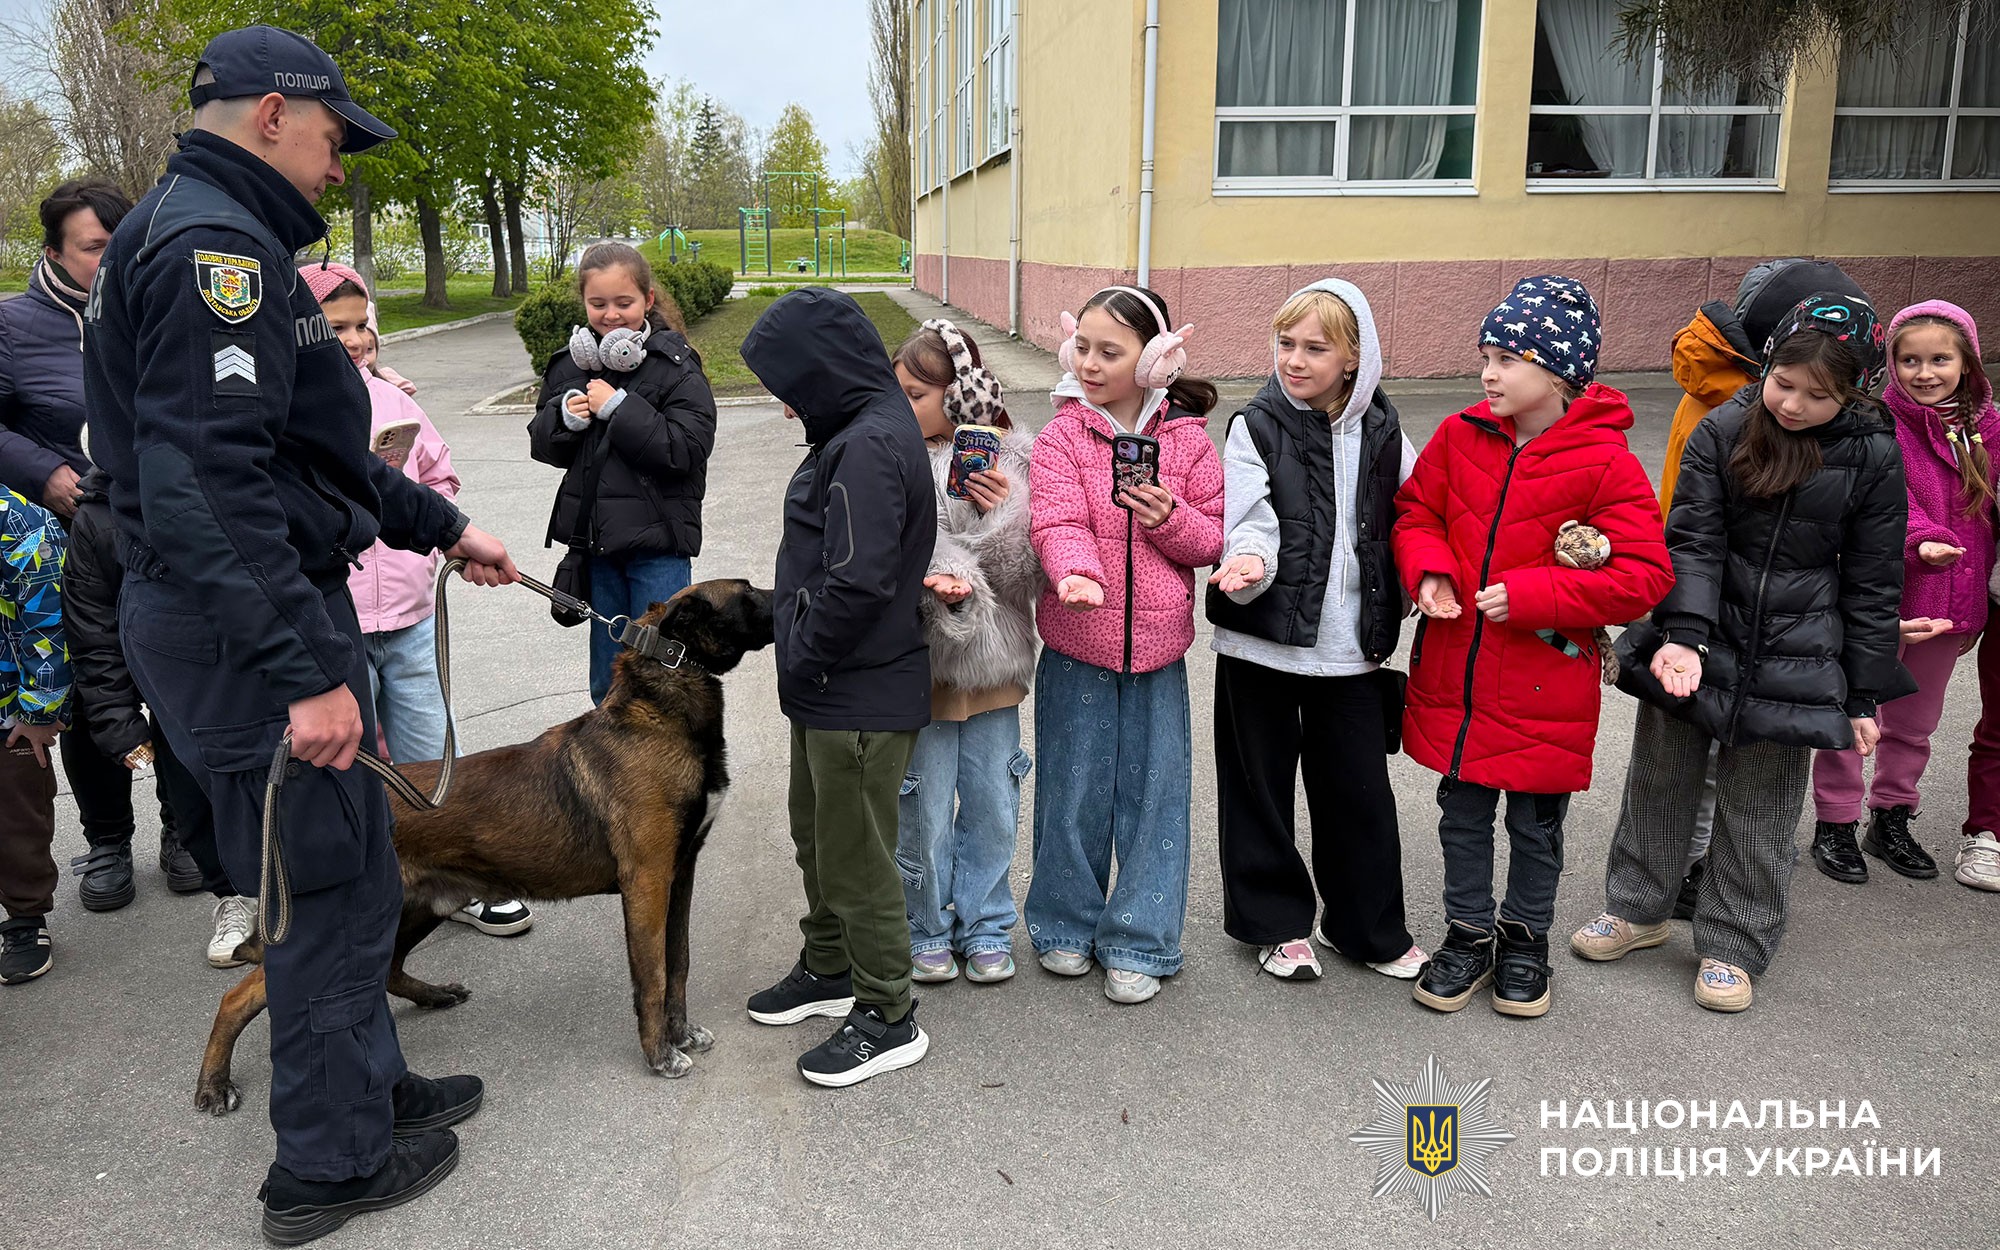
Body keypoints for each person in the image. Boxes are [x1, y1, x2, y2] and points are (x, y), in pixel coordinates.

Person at [82, 26, 519, 1241]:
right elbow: (204, 489)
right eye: (332, 138)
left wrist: (444, 526)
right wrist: (305, 675)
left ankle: (368, 1089)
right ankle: (326, 1165)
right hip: (244, 633)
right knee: (320, 891)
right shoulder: (211, 250)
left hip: (260, 612)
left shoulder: (233, 236)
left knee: (360, 867)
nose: (337, 166)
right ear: (272, 114)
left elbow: (312, 451)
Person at [1573, 293, 1905, 1013]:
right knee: (1660, 778)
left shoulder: (1875, 453)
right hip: (1698, 634)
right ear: (1767, 365)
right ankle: (1637, 908)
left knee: (1761, 806)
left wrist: (1862, 694)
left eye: (1819, 396)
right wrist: (1684, 636)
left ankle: (1733, 941)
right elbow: (1694, 538)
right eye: (1784, 384)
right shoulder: (1723, 426)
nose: (1794, 405)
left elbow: (1874, 579)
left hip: (1800, 653)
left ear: (1856, 391)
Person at [1394, 275, 1673, 1019]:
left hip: (1547, 684)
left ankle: (1524, 941)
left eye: (1508, 359)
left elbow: (1645, 576)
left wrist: (1535, 596)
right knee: (1461, 815)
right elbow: (1416, 513)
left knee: (1535, 825)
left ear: (1558, 373)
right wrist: (1430, 571)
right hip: (1459, 678)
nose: (1488, 373)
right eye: (1486, 356)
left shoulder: (1605, 461)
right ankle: (1467, 935)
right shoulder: (1459, 436)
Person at [738, 288, 936, 1087]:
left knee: (856, 859)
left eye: (790, 386)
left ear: (822, 371)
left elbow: (858, 583)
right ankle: (829, 966)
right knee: (818, 838)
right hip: (828, 686)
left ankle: (888, 1012)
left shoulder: (867, 445)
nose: (786, 406)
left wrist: (805, 652)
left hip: (857, 691)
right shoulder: (856, 429)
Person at [1205, 278, 1425, 983]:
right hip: (1261, 636)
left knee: (1359, 793)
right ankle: (1275, 925)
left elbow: (1418, 512)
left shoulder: (1385, 429)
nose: (1294, 360)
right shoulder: (1256, 424)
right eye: (1286, 343)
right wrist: (1248, 561)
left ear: (1355, 358)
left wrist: (1426, 574)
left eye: (1315, 348)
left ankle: (1364, 927)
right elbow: (1249, 517)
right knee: (1259, 789)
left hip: (1351, 645)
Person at [307, 259, 533, 937]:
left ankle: (457, 876)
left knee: (431, 750)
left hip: (409, 614)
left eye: (361, 325)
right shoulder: (289, 410)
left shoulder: (396, 400)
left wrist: (437, 527)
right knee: (352, 758)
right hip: (336, 617)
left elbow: (441, 477)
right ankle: (369, 886)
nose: (354, 339)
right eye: (335, 327)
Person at [1025, 284, 1225, 1005]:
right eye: (1082, 347)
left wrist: (1169, 517)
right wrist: (1074, 571)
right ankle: (1063, 924)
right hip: (1077, 644)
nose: (1089, 364)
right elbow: (1054, 521)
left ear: (1153, 360)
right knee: (1070, 791)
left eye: (1110, 352)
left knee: (1155, 799)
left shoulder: (1189, 442)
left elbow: (1212, 539)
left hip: (1159, 655)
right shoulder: (1060, 438)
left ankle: (1140, 939)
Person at [0, 177, 195, 908]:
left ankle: (184, 829)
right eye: (93, 248)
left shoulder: (157, 308)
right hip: (62, 540)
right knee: (91, 689)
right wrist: (43, 471)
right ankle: (108, 839)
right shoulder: (13, 326)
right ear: (53, 252)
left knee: (175, 678)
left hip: (159, 526)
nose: (111, 261)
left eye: (122, 246)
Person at [1655, 258, 1864, 916]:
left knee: (1727, 758)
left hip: (1749, 608)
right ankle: (1692, 869)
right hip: (1711, 602)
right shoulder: (1731, 411)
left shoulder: (1744, 390)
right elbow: (1699, 525)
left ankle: (1701, 870)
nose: (1797, 404)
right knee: (1703, 756)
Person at [1809, 301, 1998, 886]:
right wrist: (1922, 540)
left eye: (1940, 359)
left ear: (1967, 362)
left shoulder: (1989, 428)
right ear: (1891, 363)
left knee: (1915, 723)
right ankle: (1836, 820)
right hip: (1879, 597)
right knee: (1852, 709)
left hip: (1950, 601)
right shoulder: (1876, 422)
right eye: (1909, 360)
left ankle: (1891, 814)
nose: (1925, 372)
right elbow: (1885, 499)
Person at [889, 318, 1038, 986]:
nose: (904, 406)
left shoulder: (1012, 459)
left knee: (992, 804)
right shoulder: (892, 457)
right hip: (922, 670)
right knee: (921, 807)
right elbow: (899, 548)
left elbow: (1023, 575)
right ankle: (925, 925)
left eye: (917, 394)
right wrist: (943, 574)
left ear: (960, 396)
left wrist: (1004, 514)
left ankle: (985, 923)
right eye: (898, 391)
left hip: (994, 671)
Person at [61, 465, 255, 968]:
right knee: (128, 742)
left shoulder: (220, 484)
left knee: (223, 775)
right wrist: (120, 724)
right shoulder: (98, 519)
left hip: (217, 664)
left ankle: (195, 845)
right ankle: (123, 845)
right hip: (143, 657)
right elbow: (94, 638)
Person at [528, 242, 716, 705]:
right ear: (583, 303)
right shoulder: (571, 365)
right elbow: (543, 446)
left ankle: (667, 753)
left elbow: (686, 449)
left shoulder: (676, 367)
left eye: (623, 302)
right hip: (599, 549)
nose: (611, 315)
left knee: (662, 677)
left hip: (659, 548)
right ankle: (612, 752)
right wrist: (562, 421)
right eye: (598, 304)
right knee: (608, 680)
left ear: (648, 300)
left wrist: (620, 408)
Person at [0, 488, 69, 985]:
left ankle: (25, 917)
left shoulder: (17, 521)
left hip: (8, 710)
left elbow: (47, 615)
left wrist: (41, 708)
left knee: (16, 817)